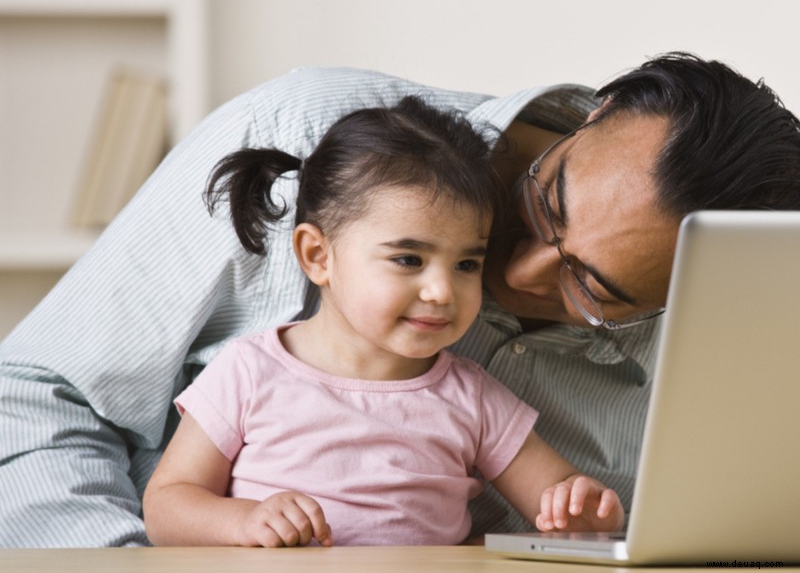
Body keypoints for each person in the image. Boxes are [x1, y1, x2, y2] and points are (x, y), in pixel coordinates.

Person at [1, 52, 799, 547]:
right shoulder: (303, 135)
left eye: (591, 288)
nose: (519, 274)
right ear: (596, 118)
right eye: (547, 201)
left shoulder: (733, 353)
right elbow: (35, 401)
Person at [142, 96, 624, 547]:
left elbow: (556, 493)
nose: (442, 291)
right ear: (318, 255)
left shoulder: (472, 397)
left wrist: (581, 510)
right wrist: (243, 520)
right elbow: (166, 505)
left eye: (466, 265)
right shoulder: (249, 371)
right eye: (409, 260)